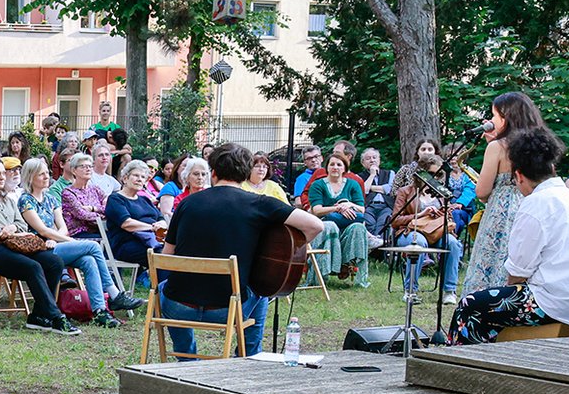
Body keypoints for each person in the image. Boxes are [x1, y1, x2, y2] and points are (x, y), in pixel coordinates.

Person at [452, 128, 569, 342]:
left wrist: (508, 294)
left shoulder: (535, 203)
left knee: (469, 306)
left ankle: (460, 370)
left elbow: (518, 273)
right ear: (552, 167)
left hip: (563, 302)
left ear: (519, 176)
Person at [157, 143, 324, 357]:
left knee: (163, 288)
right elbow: (315, 225)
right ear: (246, 175)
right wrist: (286, 256)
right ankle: (249, 356)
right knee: (261, 294)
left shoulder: (186, 204)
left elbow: (166, 258)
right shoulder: (260, 203)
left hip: (179, 306)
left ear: (213, 172)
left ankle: (185, 357)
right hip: (229, 310)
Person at [0, 156, 79, 335]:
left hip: (12, 245)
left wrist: (12, 228)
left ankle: (38, 315)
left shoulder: (8, 199)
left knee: (54, 262)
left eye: (3, 173)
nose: (2, 177)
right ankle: (55, 317)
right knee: (31, 266)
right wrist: (4, 230)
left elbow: (22, 224)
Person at [18, 156, 136, 325]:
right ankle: (114, 294)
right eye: (41, 174)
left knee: (88, 261)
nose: (46, 177)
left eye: (46, 173)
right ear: (30, 177)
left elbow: (62, 226)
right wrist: (67, 241)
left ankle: (100, 311)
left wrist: (59, 239)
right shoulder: (26, 200)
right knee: (93, 246)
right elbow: (41, 230)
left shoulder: (50, 198)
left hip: (55, 245)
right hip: (38, 248)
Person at [461, 90, 547, 294]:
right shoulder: (540, 145)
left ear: (505, 117)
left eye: (494, 115)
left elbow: (482, 191)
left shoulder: (498, 147)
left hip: (501, 213)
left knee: (492, 260)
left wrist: (492, 144)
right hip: (530, 208)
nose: (491, 120)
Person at [387, 152, 466, 300]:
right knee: (419, 243)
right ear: (421, 172)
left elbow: (448, 219)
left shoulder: (440, 193)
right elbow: (395, 221)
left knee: (453, 243)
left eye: (438, 174)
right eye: (431, 173)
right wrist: (421, 214)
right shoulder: (406, 191)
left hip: (435, 231)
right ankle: (410, 291)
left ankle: (449, 291)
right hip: (409, 231)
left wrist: (443, 213)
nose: (434, 178)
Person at [304, 152, 372, 285]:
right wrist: (338, 208)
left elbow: (361, 209)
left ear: (344, 168)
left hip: (347, 224)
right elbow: (317, 210)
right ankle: (323, 272)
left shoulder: (353, 185)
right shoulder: (318, 185)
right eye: (332, 164)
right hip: (323, 224)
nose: (335, 167)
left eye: (339, 165)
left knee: (358, 227)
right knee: (330, 226)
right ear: (327, 167)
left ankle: (351, 268)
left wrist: (349, 205)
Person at [104, 160, 168, 270]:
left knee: (178, 250)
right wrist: (152, 228)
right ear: (125, 178)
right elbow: (126, 224)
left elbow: (161, 218)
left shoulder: (145, 200)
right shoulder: (115, 199)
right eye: (135, 175)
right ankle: (164, 286)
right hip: (127, 244)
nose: (139, 179)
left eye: (143, 177)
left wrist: (161, 224)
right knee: (163, 255)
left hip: (151, 241)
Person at [360, 147, 396, 237]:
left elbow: (390, 189)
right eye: (368, 159)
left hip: (386, 206)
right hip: (368, 206)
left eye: (374, 157)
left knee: (383, 224)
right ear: (363, 163)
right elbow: (363, 191)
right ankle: (373, 247)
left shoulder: (390, 173)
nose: (372, 160)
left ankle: (380, 247)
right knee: (369, 224)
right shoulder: (359, 176)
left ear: (379, 160)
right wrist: (372, 175)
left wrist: (370, 187)